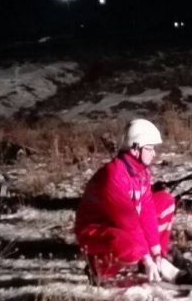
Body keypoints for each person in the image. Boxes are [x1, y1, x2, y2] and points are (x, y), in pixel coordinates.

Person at [75, 119, 179, 283]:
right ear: (135, 149)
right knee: (131, 246)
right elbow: (128, 223)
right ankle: (100, 268)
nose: (154, 153)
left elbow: (147, 212)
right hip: (97, 230)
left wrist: (157, 253)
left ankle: (157, 262)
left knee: (166, 202)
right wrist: (147, 259)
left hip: (121, 225)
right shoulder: (114, 176)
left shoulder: (142, 173)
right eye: (149, 148)